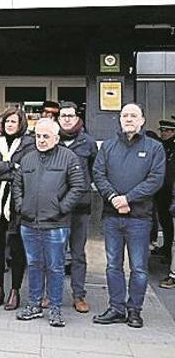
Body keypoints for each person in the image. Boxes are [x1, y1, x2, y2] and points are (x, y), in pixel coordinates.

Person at [92, 103, 165, 329]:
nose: (129, 119)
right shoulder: (108, 147)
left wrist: (128, 198)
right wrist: (114, 197)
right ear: (119, 119)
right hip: (112, 216)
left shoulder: (154, 148)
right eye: (125, 115)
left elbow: (155, 180)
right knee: (113, 265)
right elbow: (98, 174)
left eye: (134, 115)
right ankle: (116, 308)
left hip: (139, 219)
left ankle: (134, 310)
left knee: (139, 267)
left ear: (142, 120)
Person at [12, 118, 85, 327]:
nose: (41, 140)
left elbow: (78, 186)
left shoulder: (69, 158)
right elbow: (17, 184)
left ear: (56, 137)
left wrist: (61, 208)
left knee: (55, 267)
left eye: (46, 136)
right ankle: (34, 305)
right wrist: (21, 205)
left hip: (56, 224)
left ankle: (55, 308)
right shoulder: (28, 158)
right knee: (34, 265)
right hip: (29, 222)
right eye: (38, 136)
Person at [0, 108, 35, 311]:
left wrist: (1, 167)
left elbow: (25, 171)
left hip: (17, 203)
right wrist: (10, 166)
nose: (10, 124)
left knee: (17, 249)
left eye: (14, 121)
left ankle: (15, 291)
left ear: (21, 124)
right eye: (7, 121)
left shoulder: (29, 144)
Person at [57, 101, 98, 313]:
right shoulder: (52, 140)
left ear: (77, 118)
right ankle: (50, 294)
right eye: (63, 115)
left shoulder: (88, 142)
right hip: (55, 206)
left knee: (78, 254)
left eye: (70, 116)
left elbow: (95, 171)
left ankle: (78, 295)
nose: (66, 119)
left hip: (80, 206)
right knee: (54, 253)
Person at [152, 119, 175, 265]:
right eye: (162, 130)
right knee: (165, 222)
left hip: (171, 192)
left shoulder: (172, 147)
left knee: (170, 224)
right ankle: (166, 248)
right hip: (162, 192)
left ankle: (169, 252)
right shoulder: (163, 146)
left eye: (167, 131)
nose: (163, 133)